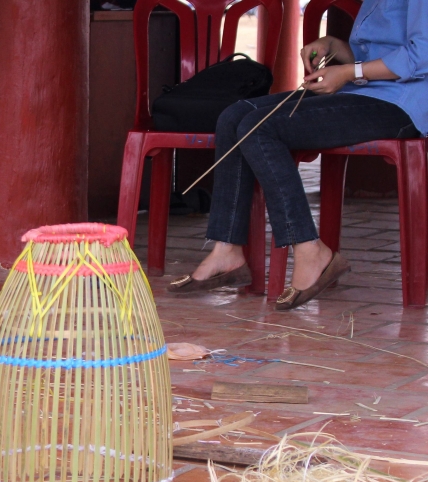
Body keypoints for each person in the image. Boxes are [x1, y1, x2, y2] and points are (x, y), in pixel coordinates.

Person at [169, 0, 427, 310]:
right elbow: (384, 51)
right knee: (234, 116)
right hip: (365, 91)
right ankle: (227, 250)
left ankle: (310, 249)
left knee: (261, 128)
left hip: (402, 103)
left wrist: (348, 71)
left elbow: (421, 56)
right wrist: (337, 48)